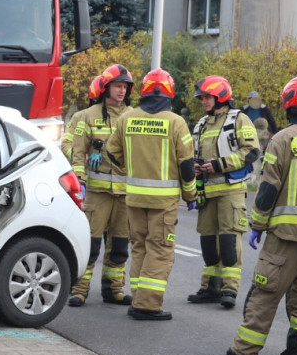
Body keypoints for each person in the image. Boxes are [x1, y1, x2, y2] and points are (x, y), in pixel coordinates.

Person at [211, 74, 297, 355]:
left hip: (285, 237)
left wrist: (257, 225)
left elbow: (268, 188)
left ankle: (244, 353)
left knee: (265, 293)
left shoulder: (282, 139)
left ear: (291, 104)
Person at [105, 68, 197, 320]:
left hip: (133, 198)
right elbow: (187, 166)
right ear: (169, 92)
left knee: (139, 248)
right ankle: (147, 306)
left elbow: (111, 152)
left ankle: (138, 298)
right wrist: (190, 196)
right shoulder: (177, 122)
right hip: (163, 202)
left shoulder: (127, 118)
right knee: (160, 250)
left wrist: (128, 168)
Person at [187, 75, 260, 309]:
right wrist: (195, 166)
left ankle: (230, 290)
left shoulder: (240, 119)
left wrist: (218, 164)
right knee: (208, 242)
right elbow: (190, 152)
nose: (203, 102)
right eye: (201, 98)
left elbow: (251, 151)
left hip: (230, 191)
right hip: (206, 192)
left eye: (206, 97)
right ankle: (210, 287)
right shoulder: (201, 124)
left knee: (229, 241)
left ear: (220, 96)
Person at [67, 65, 134, 307]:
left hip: (124, 194)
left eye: (125, 87)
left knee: (119, 245)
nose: (122, 91)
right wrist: (80, 181)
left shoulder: (133, 115)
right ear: (106, 88)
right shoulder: (88, 116)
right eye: (118, 86)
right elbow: (78, 152)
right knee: (91, 244)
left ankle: (113, 289)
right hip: (97, 193)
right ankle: (79, 289)